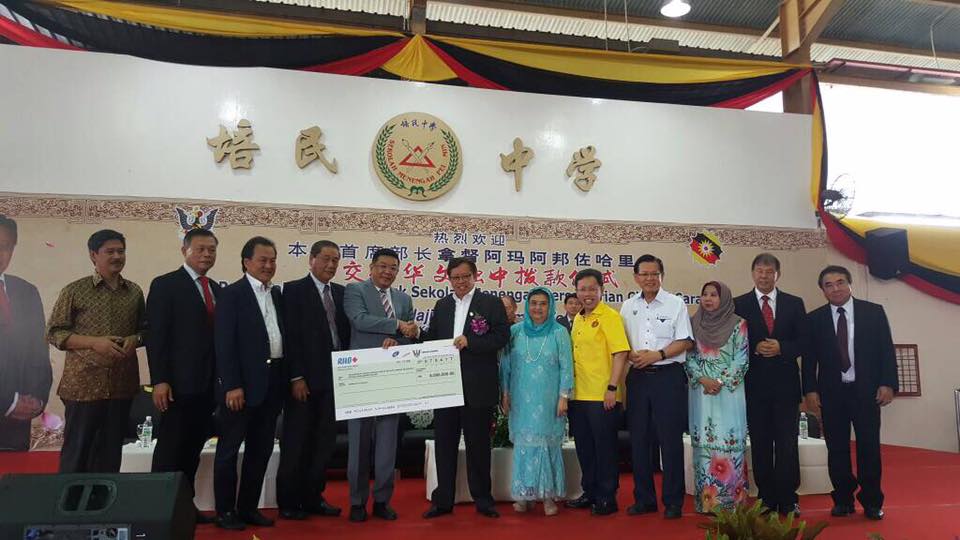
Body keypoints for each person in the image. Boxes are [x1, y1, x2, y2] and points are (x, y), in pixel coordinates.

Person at [47, 229, 146, 473]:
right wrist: (93, 343)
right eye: (110, 251)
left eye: (121, 251)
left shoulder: (134, 292)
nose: (117, 256)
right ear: (93, 255)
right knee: (77, 455)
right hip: (83, 386)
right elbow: (54, 332)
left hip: (121, 386)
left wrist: (134, 340)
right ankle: (69, 498)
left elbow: (145, 331)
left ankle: (104, 499)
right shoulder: (75, 290)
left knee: (110, 457)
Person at [803, 265, 897, 521]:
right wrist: (810, 390)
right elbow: (809, 360)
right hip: (832, 394)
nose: (836, 288)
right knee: (837, 449)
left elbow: (886, 350)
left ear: (849, 284)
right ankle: (843, 499)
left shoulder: (873, 312)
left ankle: (872, 501)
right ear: (823, 291)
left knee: (869, 448)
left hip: (866, 392)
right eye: (829, 285)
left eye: (840, 282)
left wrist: (888, 383)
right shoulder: (814, 319)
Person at [421, 257, 510, 519]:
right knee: (445, 445)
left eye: (465, 277)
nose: (460, 282)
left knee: (478, 446)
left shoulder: (490, 303)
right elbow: (432, 339)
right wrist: (414, 335)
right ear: (448, 279)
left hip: (478, 387)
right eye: (455, 277)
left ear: (475, 276)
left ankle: (483, 500)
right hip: (445, 385)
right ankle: (443, 501)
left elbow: (501, 337)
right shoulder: (443, 305)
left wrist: (471, 342)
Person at [146, 228, 221, 524]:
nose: (206, 254)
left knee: (192, 451)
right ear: (184, 250)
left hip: (206, 387)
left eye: (211, 250)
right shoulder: (166, 285)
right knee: (170, 450)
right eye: (200, 249)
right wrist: (160, 380)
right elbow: (157, 337)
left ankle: (183, 507)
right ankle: (158, 511)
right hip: (176, 386)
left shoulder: (215, 288)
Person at [213, 237, 285, 530]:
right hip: (240, 388)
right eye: (262, 260)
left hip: (272, 383)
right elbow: (224, 344)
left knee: (260, 450)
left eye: (272, 260)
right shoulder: (232, 294)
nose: (268, 265)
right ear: (246, 262)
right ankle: (225, 512)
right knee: (229, 451)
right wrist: (232, 385)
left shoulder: (276, 294)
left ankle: (248, 508)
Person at [276, 240, 351, 521]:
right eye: (326, 259)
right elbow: (290, 337)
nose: (331, 265)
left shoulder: (342, 293)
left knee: (323, 444)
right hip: (303, 382)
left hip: (335, 381)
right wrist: (296, 376)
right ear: (312, 260)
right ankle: (288, 500)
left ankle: (313, 497)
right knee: (297, 442)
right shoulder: (293, 291)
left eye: (336, 260)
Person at [342, 248, 418, 522]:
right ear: (372, 267)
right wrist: (396, 325)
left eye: (393, 267)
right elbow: (359, 319)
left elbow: (409, 335)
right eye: (383, 266)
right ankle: (357, 502)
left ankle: (383, 500)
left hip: (391, 376)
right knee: (358, 443)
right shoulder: (355, 291)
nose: (388, 272)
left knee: (387, 443)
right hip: (361, 374)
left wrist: (401, 338)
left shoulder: (403, 299)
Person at [619, 254, 693, 519]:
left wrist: (657, 355)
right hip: (638, 378)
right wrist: (631, 354)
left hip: (668, 377)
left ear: (662, 276)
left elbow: (685, 341)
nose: (650, 278)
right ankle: (644, 499)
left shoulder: (676, 303)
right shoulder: (628, 306)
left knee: (670, 440)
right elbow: (621, 342)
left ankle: (673, 502)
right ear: (636, 277)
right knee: (639, 440)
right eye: (645, 274)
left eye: (655, 274)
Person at [733, 253, 807, 516]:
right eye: (759, 271)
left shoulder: (794, 303)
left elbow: (805, 342)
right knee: (761, 443)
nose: (764, 276)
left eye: (769, 271)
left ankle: (788, 498)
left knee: (787, 443)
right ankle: (765, 497)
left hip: (786, 386)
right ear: (753, 273)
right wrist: (754, 348)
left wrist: (782, 347)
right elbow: (732, 343)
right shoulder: (738, 304)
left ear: (778, 274)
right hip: (754, 386)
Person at [500, 286, 573, 516]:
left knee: (546, 446)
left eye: (543, 303)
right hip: (521, 399)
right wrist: (505, 393)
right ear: (526, 306)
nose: (538, 308)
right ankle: (524, 496)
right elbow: (505, 366)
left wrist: (564, 397)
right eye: (533, 303)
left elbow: (567, 366)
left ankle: (548, 497)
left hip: (549, 401)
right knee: (524, 447)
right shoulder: (515, 332)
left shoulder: (559, 332)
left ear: (550, 306)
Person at [566, 268, 630, 516]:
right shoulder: (578, 318)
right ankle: (590, 492)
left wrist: (612, 388)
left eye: (592, 289)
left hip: (602, 396)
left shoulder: (610, 316)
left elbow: (620, 353)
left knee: (605, 449)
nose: (587, 294)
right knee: (585, 448)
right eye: (582, 289)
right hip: (578, 395)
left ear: (602, 290)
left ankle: (607, 497)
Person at [686, 281, 749, 514]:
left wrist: (720, 382)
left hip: (728, 393)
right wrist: (703, 379)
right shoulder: (693, 324)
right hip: (701, 393)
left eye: (714, 295)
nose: (708, 299)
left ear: (724, 299)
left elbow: (741, 359)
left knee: (728, 443)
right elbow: (688, 357)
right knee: (704, 443)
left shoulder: (739, 324)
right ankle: (708, 503)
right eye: (705, 294)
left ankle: (731, 503)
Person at [0, 215, 52, 451]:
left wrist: (37, 398)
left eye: (5, 247)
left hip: (18, 420)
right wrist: (8, 402)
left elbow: (38, 352)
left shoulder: (26, 292)